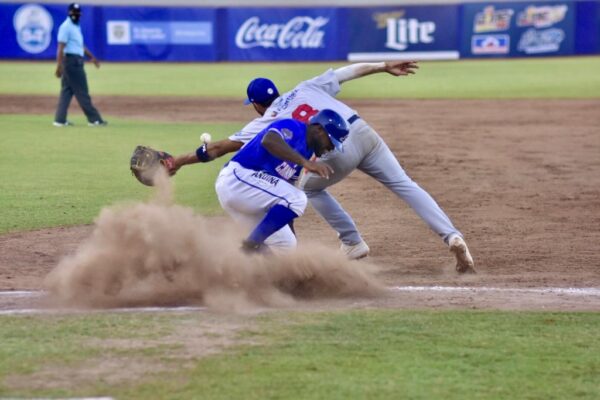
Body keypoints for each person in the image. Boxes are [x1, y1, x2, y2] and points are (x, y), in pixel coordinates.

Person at [171, 61, 475, 273]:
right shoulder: (305, 87)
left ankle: (352, 242)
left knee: (305, 190)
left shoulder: (269, 118)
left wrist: (181, 161)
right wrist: (383, 67)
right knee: (405, 184)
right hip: (361, 130)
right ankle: (452, 236)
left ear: (255, 104)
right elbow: (346, 73)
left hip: (332, 147)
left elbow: (220, 147)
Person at [215, 109, 347, 251]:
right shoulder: (294, 127)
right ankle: (250, 246)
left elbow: (286, 204)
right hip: (237, 179)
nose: (330, 148)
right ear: (319, 129)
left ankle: (244, 262)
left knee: (286, 244)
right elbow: (269, 140)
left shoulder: (307, 152)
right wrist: (306, 163)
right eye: (331, 141)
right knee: (298, 198)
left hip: (249, 195)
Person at [53, 3, 107, 127]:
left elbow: (79, 46)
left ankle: (59, 120)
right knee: (82, 91)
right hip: (72, 62)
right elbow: (60, 48)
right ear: (69, 13)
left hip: (75, 60)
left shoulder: (76, 26)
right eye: (74, 13)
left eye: (78, 13)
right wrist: (59, 66)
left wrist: (92, 57)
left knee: (66, 91)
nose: (76, 15)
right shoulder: (66, 27)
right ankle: (94, 120)